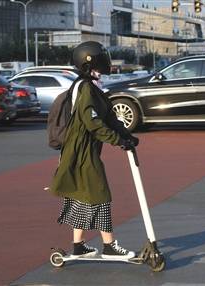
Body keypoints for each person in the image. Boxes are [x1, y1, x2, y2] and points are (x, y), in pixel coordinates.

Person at [50, 41, 139, 259]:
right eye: (102, 57)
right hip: (80, 152)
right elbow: (94, 123)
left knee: (82, 195)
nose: (105, 60)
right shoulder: (86, 88)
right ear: (89, 61)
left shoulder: (92, 86)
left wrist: (126, 135)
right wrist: (117, 140)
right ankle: (109, 246)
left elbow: (108, 117)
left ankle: (78, 245)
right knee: (100, 194)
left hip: (84, 150)